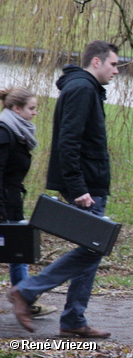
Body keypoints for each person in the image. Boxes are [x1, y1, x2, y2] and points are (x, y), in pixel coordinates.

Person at [7, 40, 119, 337]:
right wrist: (78, 187)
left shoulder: (84, 88)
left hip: (91, 183)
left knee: (92, 247)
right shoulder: (82, 89)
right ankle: (28, 290)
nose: (116, 70)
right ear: (96, 62)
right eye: (113, 64)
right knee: (95, 247)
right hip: (86, 186)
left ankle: (73, 320)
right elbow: (68, 142)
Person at [0, 87, 57, 318]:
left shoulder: (16, 131)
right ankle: (24, 298)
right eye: (31, 108)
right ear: (16, 108)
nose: (35, 113)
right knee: (17, 249)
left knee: (18, 250)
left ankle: (24, 297)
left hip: (11, 201)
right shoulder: (5, 133)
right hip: (4, 202)